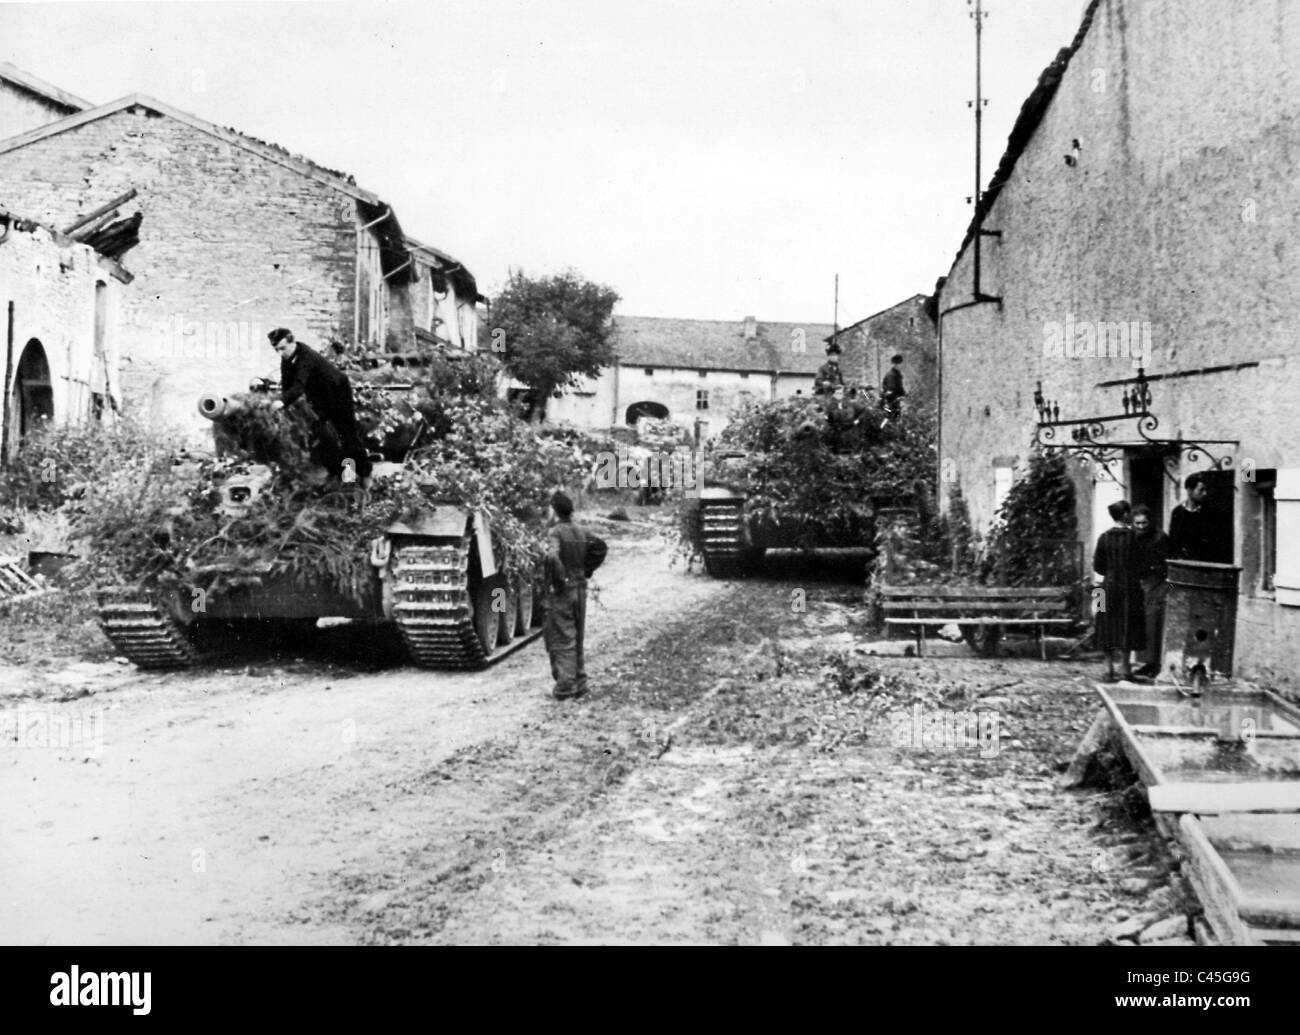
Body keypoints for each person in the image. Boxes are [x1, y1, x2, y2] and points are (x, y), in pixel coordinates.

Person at [267, 328, 372, 487]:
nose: (280, 353)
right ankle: (337, 471)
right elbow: (287, 386)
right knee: (319, 433)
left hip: (338, 391)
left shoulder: (305, 357)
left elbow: (299, 386)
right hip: (319, 396)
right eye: (276, 350)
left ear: (292, 342)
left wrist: (282, 402)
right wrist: (281, 402)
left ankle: (364, 473)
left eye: (283, 348)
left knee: (346, 433)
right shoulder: (287, 359)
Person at [544, 491, 600, 700]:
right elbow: (600, 547)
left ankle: (566, 686)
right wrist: (587, 569)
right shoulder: (581, 530)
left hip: (565, 591)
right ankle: (581, 682)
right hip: (580, 588)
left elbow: (552, 557)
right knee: (577, 634)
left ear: (555, 510)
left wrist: (559, 582)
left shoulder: (555, 532)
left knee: (562, 637)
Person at [1092, 499, 1145, 682]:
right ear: (1125, 515)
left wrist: (1110, 572)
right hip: (1130, 586)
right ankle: (1125, 666)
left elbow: (1098, 566)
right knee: (1128, 622)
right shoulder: (1134, 537)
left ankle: (1107, 667)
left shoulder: (1103, 537)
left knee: (1105, 621)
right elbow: (1141, 564)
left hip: (1105, 587)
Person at [1131, 504, 1169, 678]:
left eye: (1144, 523)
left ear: (1150, 522)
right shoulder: (1133, 537)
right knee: (1141, 624)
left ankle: (1153, 663)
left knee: (1154, 623)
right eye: (1137, 523)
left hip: (1156, 583)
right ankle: (1144, 661)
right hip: (1139, 583)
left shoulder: (1160, 538)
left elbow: (1165, 564)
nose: (1140, 527)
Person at [1168, 471, 1230, 563]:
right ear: (1189, 491)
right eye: (1201, 490)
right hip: (1186, 564)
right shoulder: (1177, 513)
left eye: (1206, 490)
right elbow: (1174, 541)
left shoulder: (1210, 512)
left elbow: (1216, 541)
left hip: (1206, 563)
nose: (1205, 493)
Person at [881, 353, 906, 420]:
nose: (901, 365)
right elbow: (890, 391)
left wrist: (904, 394)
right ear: (896, 364)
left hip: (894, 404)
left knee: (895, 420)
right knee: (890, 421)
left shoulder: (897, 374)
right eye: (899, 363)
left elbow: (899, 388)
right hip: (890, 405)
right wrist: (899, 396)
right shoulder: (891, 375)